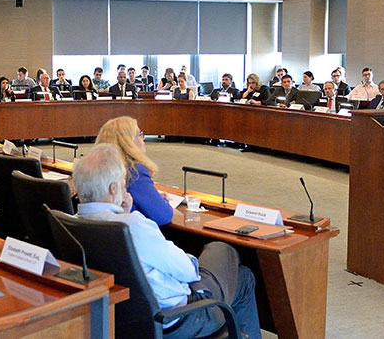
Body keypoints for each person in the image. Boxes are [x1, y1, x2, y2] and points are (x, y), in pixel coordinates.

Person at [73, 143, 261, 338]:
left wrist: (124, 213)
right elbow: (188, 271)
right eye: (122, 183)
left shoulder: (69, 222)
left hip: (124, 316)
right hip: (177, 319)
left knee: (242, 275)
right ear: (113, 189)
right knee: (227, 256)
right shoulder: (133, 226)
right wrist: (190, 260)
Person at [95, 117, 173, 226]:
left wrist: (152, 195)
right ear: (127, 141)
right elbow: (163, 215)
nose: (143, 138)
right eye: (139, 134)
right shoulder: (135, 171)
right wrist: (163, 200)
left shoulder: (97, 167)